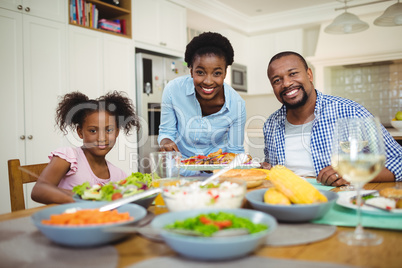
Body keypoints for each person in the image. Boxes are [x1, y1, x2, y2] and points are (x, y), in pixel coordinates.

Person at [262, 51, 402, 186]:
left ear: (309, 75)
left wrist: (353, 173)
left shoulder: (350, 111)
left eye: (293, 73)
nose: (286, 83)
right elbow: (272, 168)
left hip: (342, 200)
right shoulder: (271, 124)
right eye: (277, 80)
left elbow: (399, 160)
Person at [31, 91, 140, 204]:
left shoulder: (119, 175)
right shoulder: (68, 157)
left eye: (109, 130)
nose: (101, 138)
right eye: (93, 131)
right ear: (80, 132)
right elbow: (39, 191)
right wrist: (87, 198)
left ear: (117, 132)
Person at [158, 32, 246, 168]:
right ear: (191, 70)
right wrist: (166, 141)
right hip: (181, 168)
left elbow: (235, 151)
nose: (208, 81)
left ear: (225, 73)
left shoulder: (237, 104)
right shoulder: (173, 90)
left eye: (217, 73)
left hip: (217, 172)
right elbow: (166, 132)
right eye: (200, 72)